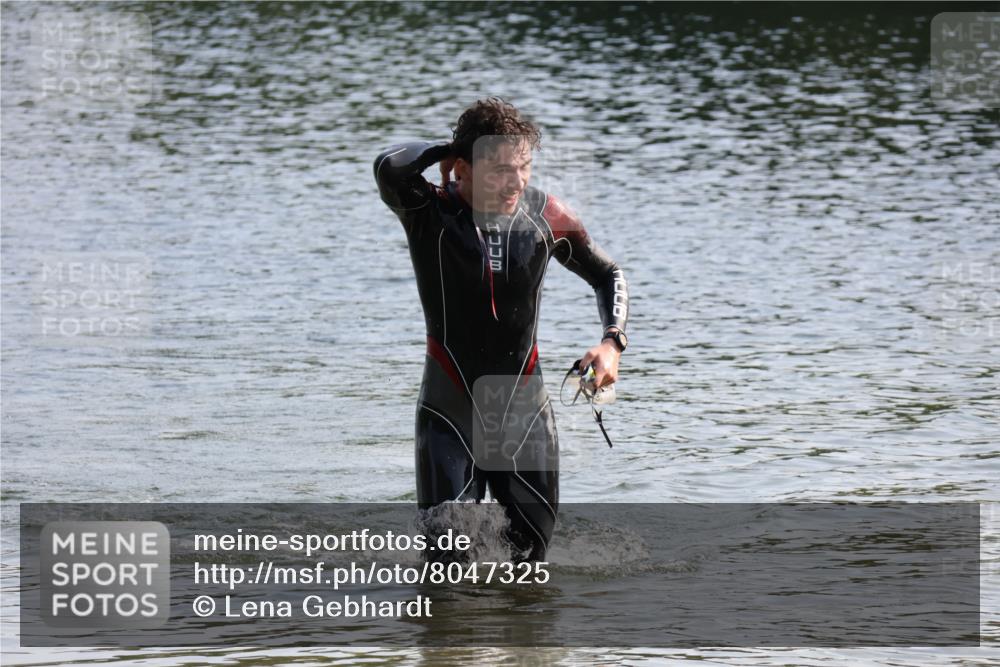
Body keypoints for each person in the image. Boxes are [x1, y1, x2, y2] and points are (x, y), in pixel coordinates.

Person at [373, 98, 629, 561]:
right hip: (449, 412)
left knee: (530, 564)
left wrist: (612, 342)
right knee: (448, 567)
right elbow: (388, 166)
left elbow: (607, 274)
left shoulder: (546, 218)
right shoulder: (428, 212)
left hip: (523, 413)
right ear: (463, 168)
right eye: (500, 170)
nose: (516, 182)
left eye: (524, 167)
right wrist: (446, 149)